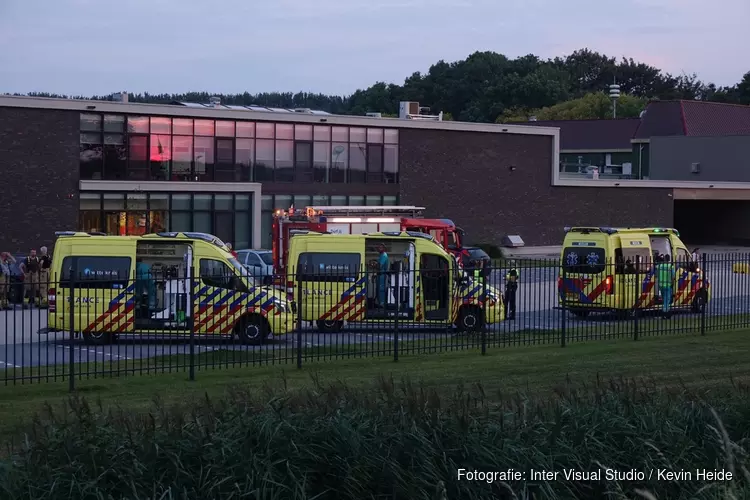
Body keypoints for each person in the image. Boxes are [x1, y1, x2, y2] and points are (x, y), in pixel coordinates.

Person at [656, 254, 676, 319]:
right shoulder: (670, 266)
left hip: (661, 285)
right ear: (669, 259)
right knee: (667, 300)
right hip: (668, 285)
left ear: (664, 258)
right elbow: (673, 277)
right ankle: (665, 313)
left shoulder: (659, 266)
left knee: (663, 299)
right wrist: (672, 284)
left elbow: (656, 274)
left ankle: (664, 312)